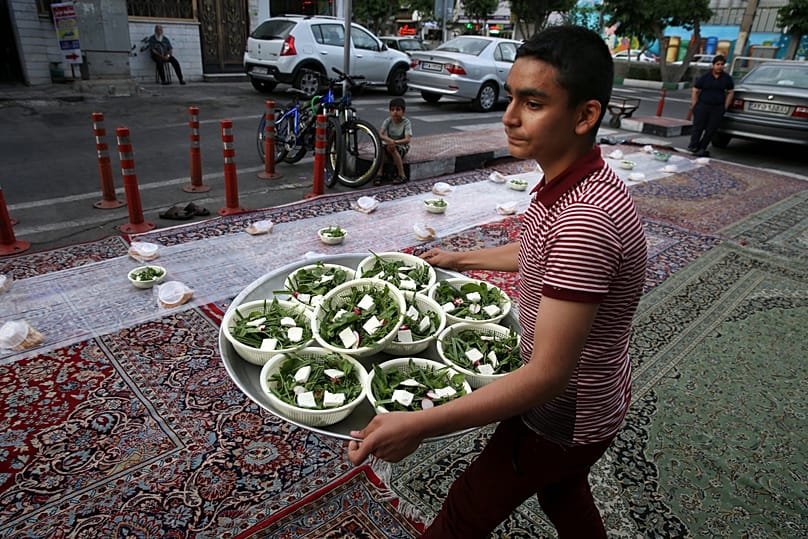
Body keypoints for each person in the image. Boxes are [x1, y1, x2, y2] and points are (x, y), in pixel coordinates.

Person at [347, 25, 648, 538]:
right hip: (593, 403)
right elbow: (539, 252)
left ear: (585, 115)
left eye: (532, 103)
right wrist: (463, 260)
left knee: (467, 509)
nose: (508, 117)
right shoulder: (578, 179)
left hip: (561, 413)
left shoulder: (585, 222)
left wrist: (419, 422)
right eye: (511, 97)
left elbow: (548, 375)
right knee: (564, 493)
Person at [687, 54, 734, 156]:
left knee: (711, 129)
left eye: (722, 64)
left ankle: (702, 147)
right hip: (703, 105)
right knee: (698, 127)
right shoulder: (705, 77)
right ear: (713, 65)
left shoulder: (727, 78)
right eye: (718, 64)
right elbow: (695, 89)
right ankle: (693, 146)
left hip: (717, 107)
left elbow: (730, 91)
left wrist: (725, 106)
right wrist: (694, 104)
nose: (720, 66)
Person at [374, 97, 412, 185]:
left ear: (403, 111)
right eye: (392, 110)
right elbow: (380, 134)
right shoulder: (388, 121)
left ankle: (402, 175)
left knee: (392, 148)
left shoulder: (406, 122)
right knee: (381, 149)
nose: (395, 112)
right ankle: (379, 174)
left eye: (398, 110)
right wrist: (389, 140)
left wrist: (394, 142)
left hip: (401, 146)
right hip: (389, 145)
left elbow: (407, 140)